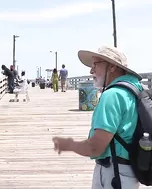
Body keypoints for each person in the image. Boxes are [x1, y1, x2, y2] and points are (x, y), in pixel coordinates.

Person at [52, 45, 142, 189]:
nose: (91, 70)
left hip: (114, 175)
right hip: (130, 173)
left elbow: (95, 148)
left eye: (95, 64)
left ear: (112, 67)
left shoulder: (112, 95)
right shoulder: (134, 89)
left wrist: (68, 144)